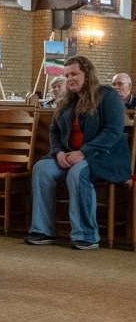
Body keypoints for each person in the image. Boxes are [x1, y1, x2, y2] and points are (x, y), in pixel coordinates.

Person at [26, 56, 132, 250]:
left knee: (78, 172)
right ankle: (43, 230)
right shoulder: (67, 101)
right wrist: (58, 153)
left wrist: (83, 152)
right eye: (67, 75)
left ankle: (86, 234)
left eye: (74, 74)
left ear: (87, 74)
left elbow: (113, 131)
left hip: (104, 157)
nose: (70, 79)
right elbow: (54, 131)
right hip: (70, 156)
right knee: (42, 169)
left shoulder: (107, 96)